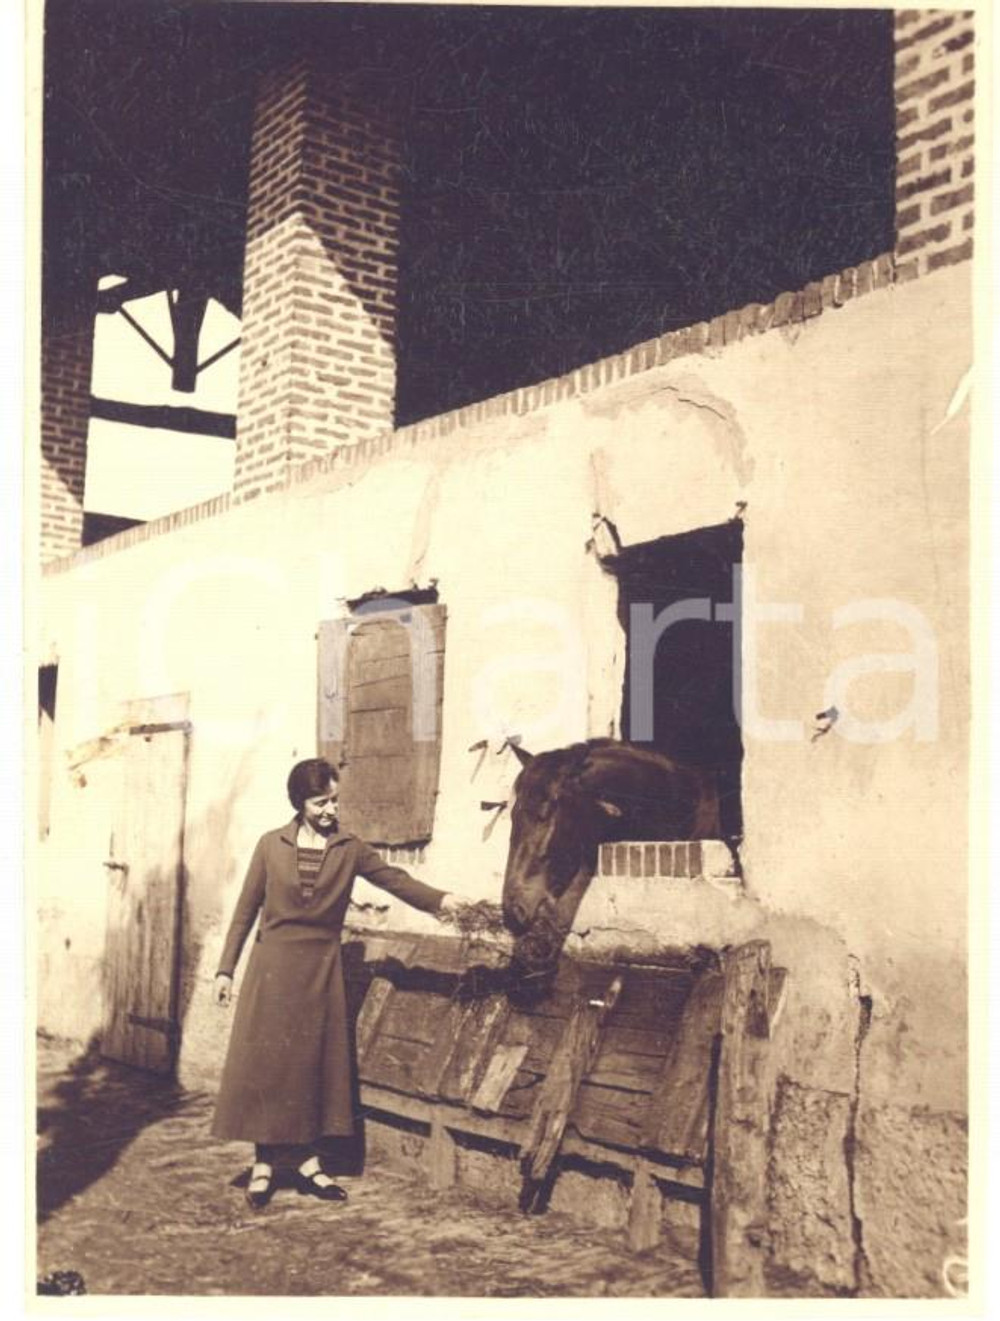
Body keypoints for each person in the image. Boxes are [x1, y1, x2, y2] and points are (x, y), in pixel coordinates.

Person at [211, 757, 468, 1209]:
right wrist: (225, 970)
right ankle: (265, 1163)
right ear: (299, 801)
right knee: (269, 1067)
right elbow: (245, 912)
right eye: (320, 801)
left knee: (312, 1066)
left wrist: (447, 903)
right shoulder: (270, 845)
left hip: (320, 973)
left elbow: (397, 881)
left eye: (334, 800)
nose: (330, 809)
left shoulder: (350, 848)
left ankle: (310, 1164)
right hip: (270, 971)